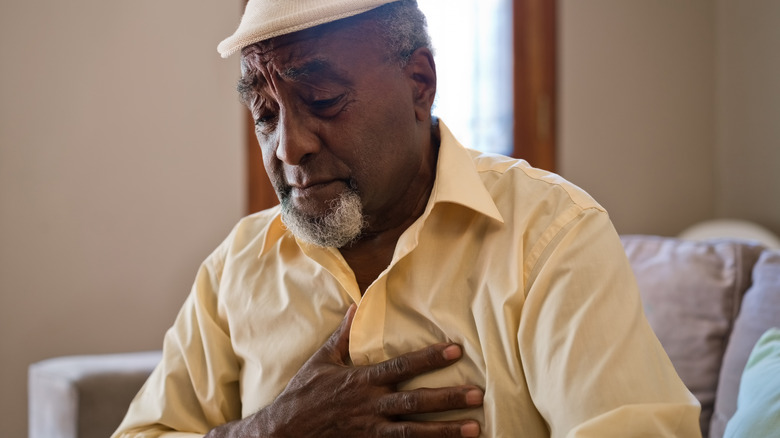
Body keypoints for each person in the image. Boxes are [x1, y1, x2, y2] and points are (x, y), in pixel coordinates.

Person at [112, 1, 702, 436]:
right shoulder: (238, 266)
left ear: (420, 82)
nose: (287, 148)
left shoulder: (548, 238)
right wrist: (270, 431)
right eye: (265, 113)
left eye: (321, 101)